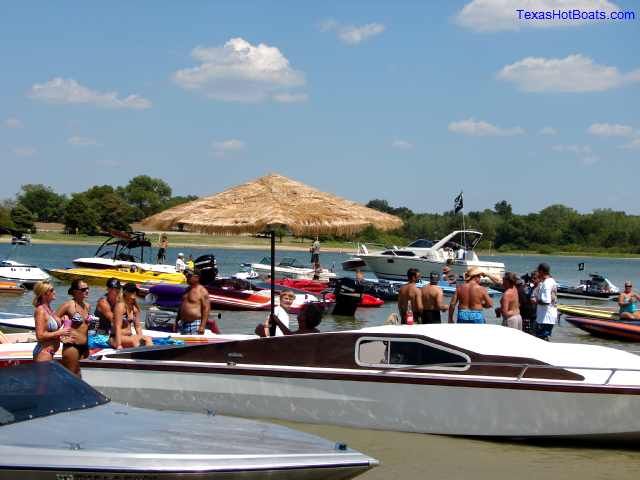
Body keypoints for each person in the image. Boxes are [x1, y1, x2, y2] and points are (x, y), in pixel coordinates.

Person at [56, 279, 91, 376]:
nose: (87, 291)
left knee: (82, 377)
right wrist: (61, 337)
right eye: (83, 289)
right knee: (70, 377)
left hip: (85, 346)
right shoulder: (68, 305)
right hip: (72, 347)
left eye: (87, 288)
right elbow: (52, 322)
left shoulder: (87, 306)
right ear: (75, 291)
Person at [32, 281, 69, 361]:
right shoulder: (40, 311)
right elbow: (40, 336)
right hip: (43, 353)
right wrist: (60, 332)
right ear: (44, 294)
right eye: (51, 290)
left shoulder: (49, 309)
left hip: (50, 353)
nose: (54, 292)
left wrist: (62, 320)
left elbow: (51, 327)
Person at [109, 283, 152, 349]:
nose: (134, 293)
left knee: (148, 338)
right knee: (135, 341)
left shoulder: (135, 308)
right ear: (125, 292)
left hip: (129, 337)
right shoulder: (120, 306)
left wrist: (141, 338)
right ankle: (142, 354)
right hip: (116, 338)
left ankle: (149, 354)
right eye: (132, 291)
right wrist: (119, 345)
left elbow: (138, 327)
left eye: (135, 291)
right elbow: (117, 327)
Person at [177, 269, 220, 335]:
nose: (187, 278)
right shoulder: (186, 290)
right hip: (183, 324)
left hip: (195, 324)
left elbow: (206, 309)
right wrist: (176, 321)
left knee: (193, 345)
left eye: (189, 276)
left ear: (197, 277)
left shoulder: (202, 291)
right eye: (186, 276)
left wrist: (202, 326)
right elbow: (181, 307)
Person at [533, 263, 558, 341]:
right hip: (549, 316)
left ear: (541, 271)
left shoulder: (546, 283)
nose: (537, 273)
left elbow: (546, 301)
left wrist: (535, 301)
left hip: (545, 317)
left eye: (538, 271)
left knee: (540, 339)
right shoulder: (552, 280)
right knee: (544, 338)